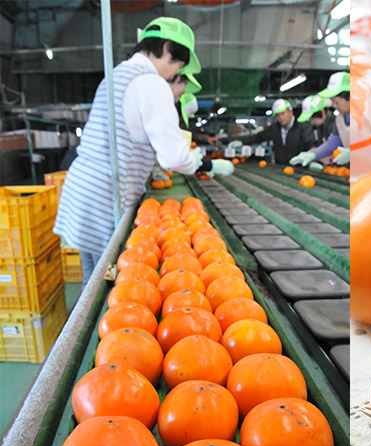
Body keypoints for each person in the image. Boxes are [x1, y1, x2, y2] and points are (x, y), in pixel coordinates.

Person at [54, 17, 233, 288]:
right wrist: (198, 162)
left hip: (83, 190)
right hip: (107, 195)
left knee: (92, 281)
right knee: (105, 286)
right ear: (167, 48)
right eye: (179, 63)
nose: (175, 73)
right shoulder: (152, 83)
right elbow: (173, 157)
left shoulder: (118, 74)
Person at [290, 72, 350, 169]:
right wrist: (313, 155)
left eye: (337, 102)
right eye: (333, 102)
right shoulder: (340, 120)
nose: (334, 106)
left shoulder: (367, 116)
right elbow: (332, 143)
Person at [229, 98, 316, 165]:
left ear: (290, 112)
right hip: (280, 167)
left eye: (282, 113)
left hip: (299, 168)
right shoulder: (275, 128)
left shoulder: (303, 127)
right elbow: (258, 137)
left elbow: (310, 145)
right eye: (278, 115)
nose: (280, 118)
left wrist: (314, 158)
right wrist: (241, 142)